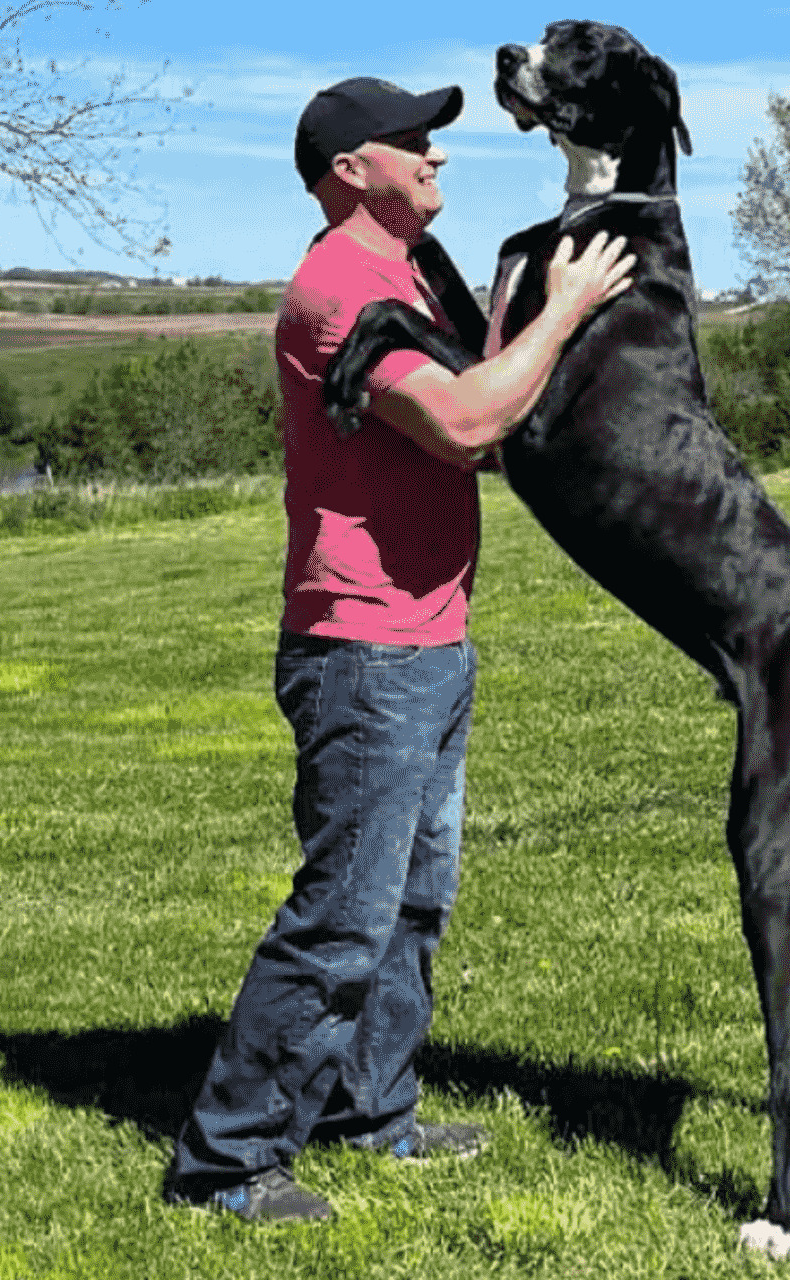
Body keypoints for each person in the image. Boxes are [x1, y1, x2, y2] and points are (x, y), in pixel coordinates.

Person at [163, 76, 636, 1222]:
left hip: (430, 633)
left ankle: (372, 1107)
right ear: (347, 170)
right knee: (343, 912)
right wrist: (566, 306)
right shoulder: (335, 292)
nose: (436, 156)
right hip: (362, 651)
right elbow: (471, 420)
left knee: (414, 902)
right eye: (412, 142)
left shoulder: (413, 274)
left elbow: (483, 400)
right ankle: (227, 1159)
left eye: (436, 141)